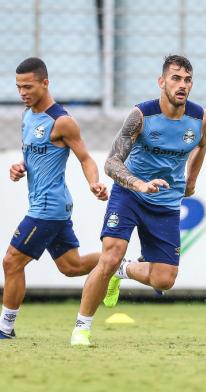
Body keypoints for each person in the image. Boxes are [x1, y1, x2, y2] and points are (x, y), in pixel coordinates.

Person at [70, 54, 206, 346]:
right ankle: (81, 328)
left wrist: (191, 181)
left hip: (167, 203)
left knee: (164, 280)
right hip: (130, 195)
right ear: (162, 82)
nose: (182, 85)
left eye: (187, 80)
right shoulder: (141, 116)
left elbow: (201, 146)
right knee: (109, 255)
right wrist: (140, 184)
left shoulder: (201, 119)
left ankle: (123, 270)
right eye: (175, 78)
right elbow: (111, 163)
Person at [0, 57, 108, 339]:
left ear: (45, 83)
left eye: (28, 86)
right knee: (71, 267)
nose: (22, 93)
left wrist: (94, 183)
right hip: (51, 206)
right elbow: (32, 154)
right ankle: (117, 264)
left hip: (47, 207)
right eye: (18, 87)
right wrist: (20, 167)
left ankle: (4, 329)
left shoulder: (62, 121)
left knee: (11, 262)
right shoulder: (27, 115)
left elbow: (85, 158)